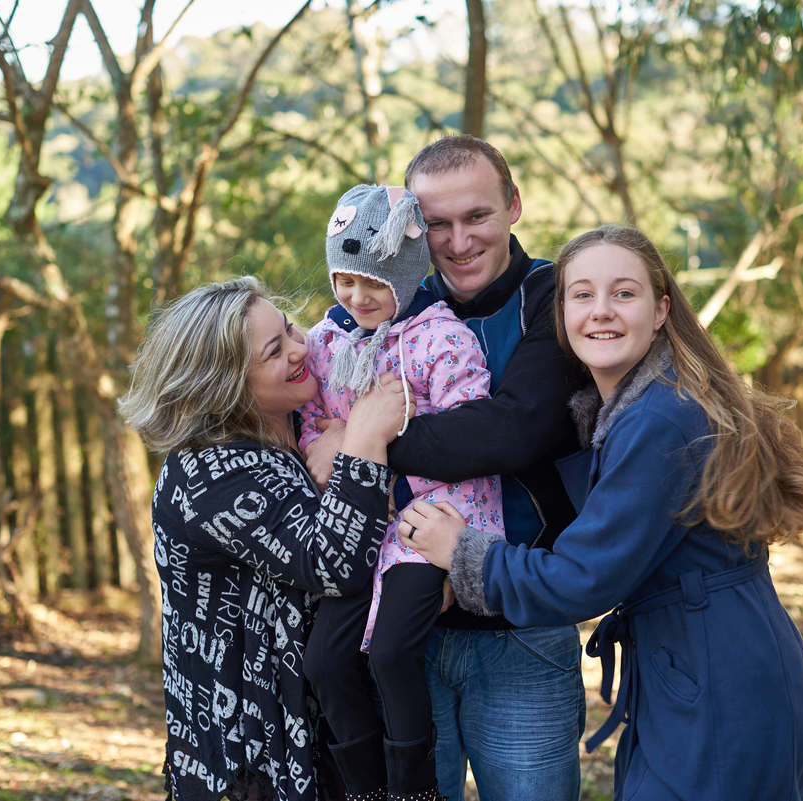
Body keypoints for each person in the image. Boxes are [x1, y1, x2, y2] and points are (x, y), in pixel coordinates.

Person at [399, 224, 803, 801]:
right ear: (562, 315)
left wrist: (463, 551)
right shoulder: (641, 405)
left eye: (624, 293)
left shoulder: (660, 419)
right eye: (582, 295)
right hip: (694, 661)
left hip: (719, 674)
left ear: (661, 310)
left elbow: (582, 577)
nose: (601, 310)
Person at [303, 136, 586, 801]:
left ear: (514, 206)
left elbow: (511, 430)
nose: (459, 241)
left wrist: (360, 441)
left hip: (519, 623)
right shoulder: (388, 300)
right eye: (437, 224)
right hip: (403, 622)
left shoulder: (552, 297)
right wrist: (348, 434)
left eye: (477, 216)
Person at [117, 276, 411, 801]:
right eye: (275, 351)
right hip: (252, 759)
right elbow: (333, 564)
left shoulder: (297, 427)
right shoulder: (208, 473)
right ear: (224, 386)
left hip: (320, 731)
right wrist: (365, 436)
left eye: (290, 329)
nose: (301, 347)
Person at [298, 184, 504, 801]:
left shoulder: (441, 338)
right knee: (325, 660)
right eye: (345, 280)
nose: (357, 297)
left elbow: (469, 431)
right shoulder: (325, 341)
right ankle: (364, 788)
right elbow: (314, 432)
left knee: (390, 652)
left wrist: (385, 457)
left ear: (408, 274)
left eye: (374, 282)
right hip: (358, 524)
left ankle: (414, 788)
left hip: (430, 521)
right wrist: (341, 444)